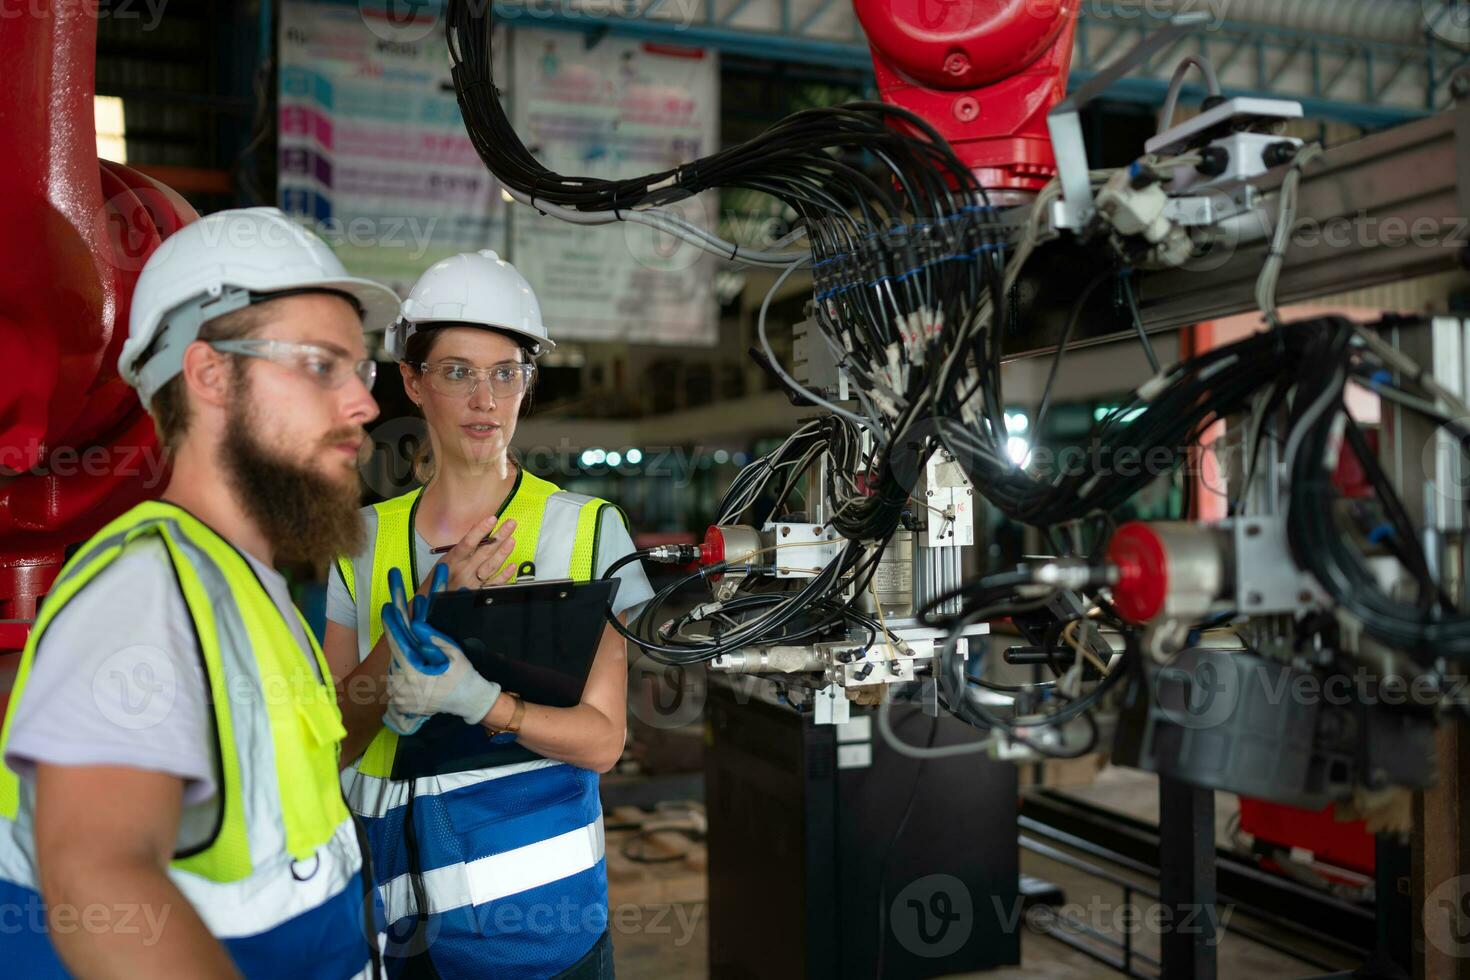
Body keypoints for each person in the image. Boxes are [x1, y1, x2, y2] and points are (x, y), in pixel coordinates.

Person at [0, 207, 402, 978]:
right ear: (211, 375)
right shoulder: (146, 591)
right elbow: (97, 879)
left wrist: (395, 674)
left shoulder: (250, 588)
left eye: (362, 369)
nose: (364, 404)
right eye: (322, 364)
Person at [324, 250, 653, 980]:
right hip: (386, 927)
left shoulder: (590, 532)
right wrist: (422, 617)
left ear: (527, 385)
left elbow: (603, 742)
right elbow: (337, 741)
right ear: (413, 381)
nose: (485, 397)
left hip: (536, 933)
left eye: (507, 372)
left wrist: (486, 704)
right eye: (458, 371)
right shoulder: (359, 540)